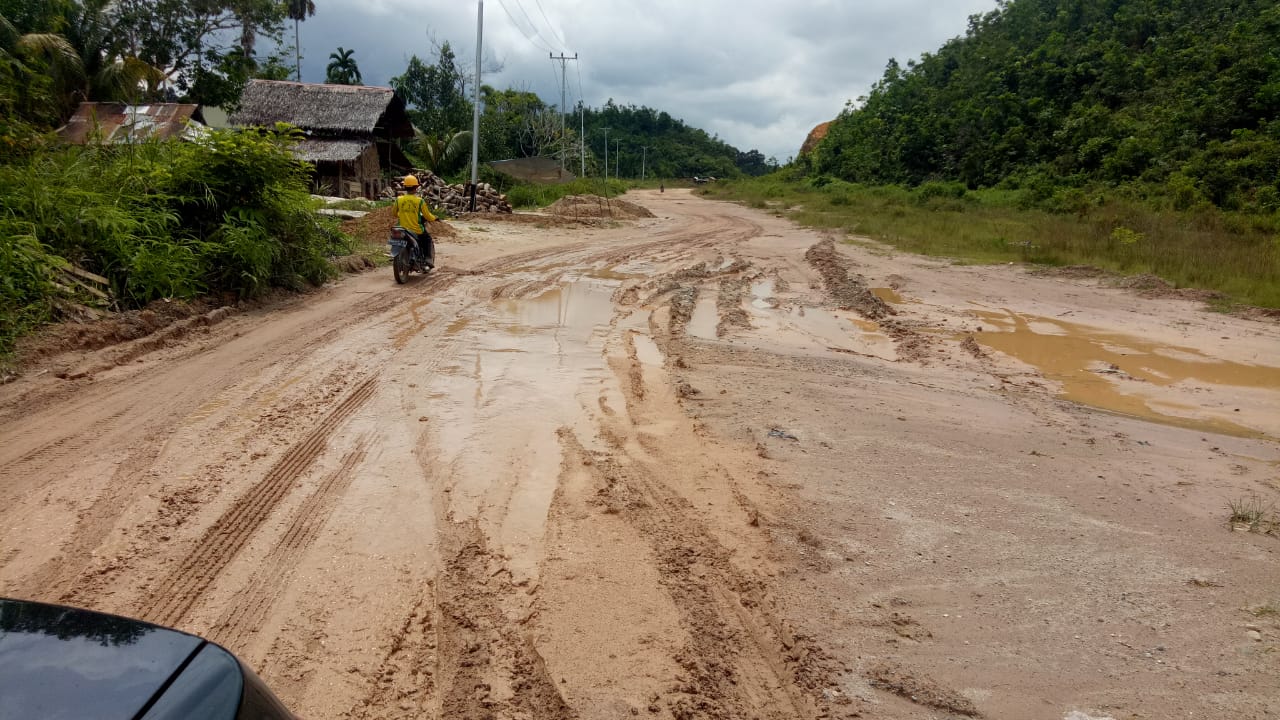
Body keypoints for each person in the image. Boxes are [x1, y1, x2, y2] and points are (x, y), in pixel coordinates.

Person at [395, 175, 437, 268]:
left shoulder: (399, 199)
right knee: (427, 239)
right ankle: (428, 259)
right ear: (416, 187)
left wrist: (402, 215)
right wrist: (435, 218)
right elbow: (427, 216)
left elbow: (394, 213)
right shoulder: (420, 201)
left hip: (401, 228)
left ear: (404, 187)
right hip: (416, 230)